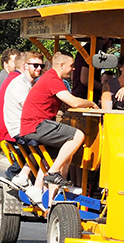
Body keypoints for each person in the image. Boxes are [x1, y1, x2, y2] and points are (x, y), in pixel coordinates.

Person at [20, 52, 98, 201]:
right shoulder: (52, 79)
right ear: (62, 66)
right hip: (36, 124)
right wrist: (91, 103)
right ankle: (53, 173)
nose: (74, 69)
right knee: (78, 135)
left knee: (65, 155)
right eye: (72, 66)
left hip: (34, 125)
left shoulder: (50, 78)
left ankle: (50, 199)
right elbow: (73, 102)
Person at [2, 52, 45, 201]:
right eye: (35, 65)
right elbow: (31, 108)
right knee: (54, 143)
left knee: (50, 139)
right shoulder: (20, 84)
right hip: (20, 128)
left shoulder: (29, 83)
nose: (39, 68)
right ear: (25, 66)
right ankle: (38, 186)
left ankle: (25, 175)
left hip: (25, 126)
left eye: (41, 66)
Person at [0, 52, 26, 182]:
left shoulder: (11, 78)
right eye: (36, 65)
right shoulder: (18, 81)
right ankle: (13, 173)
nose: (39, 69)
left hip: (6, 127)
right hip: (11, 130)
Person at [0, 48, 20, 134]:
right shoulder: (7, 78)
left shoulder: (6, 76)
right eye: (14, 62)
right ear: (5, 64)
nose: (17, 64)